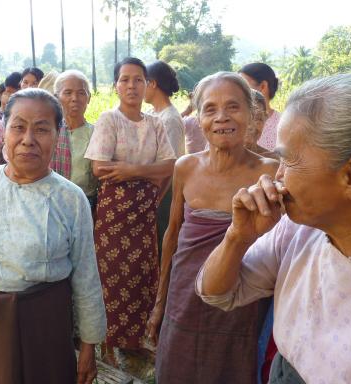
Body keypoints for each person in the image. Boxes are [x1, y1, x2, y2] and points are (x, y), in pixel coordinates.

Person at [197, 72, 351, 383]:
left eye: (288, 161)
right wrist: (237, 238)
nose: (277, 175)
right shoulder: (296, 232)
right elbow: (216, 293)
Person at [0, 88, 106, 384]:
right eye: (18, 127)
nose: (28, 139)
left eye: (41, 129)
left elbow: (86, 276)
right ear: (4, 132)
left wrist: (89, 347)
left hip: (44, 326)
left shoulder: (70, 198)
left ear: (57, 135)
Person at [146, 72, 277, 383]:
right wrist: (161, 302)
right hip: (184, 293)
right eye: (210, 109)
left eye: (233, 107)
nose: (222, 118)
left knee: (232, 366)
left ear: (251, 113)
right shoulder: (186, 167)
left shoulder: (270, 172)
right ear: (198, 117)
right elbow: (172, 236)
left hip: (241, 297)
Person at [84, 57, 176, 363]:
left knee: (141, 275)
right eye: (125, 80)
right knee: (110, 277)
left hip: (144, 211)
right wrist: (147, 171)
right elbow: (100, 167)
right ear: (116, 86)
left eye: (138, 79)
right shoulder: (109, 120)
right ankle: (108, 346)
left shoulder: (156, 123)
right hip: (114, 215)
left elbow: (170, 166)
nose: (132, 85)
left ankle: (135, 340)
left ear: (148, 84)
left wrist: (132, 170)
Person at [144, 60, 186, 254]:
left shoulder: (170, 119)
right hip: (152, 189)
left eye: (142, 81)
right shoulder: (152, 113)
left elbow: (171, 166)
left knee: (160, 244)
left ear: (152, 83)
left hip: (164, 191)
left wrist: (157, 200)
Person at [52, 70, 98, 209]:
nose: (75, 98)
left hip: (84, 202)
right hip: (50, 200)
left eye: (81, 93)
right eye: (68, 93)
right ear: (56, 97)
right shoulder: (48, 131)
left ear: (89, 98)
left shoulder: (96, 134)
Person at [239, 63, 280, 151]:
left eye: (243, 85)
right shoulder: (230, 121)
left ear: (263, 86)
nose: (237, 90)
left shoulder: (284, 125)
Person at [246, 89, 277, 158]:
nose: (251, 126)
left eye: (258, 119)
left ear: (265, 120)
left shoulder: (273, 162)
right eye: (246, 117)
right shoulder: (219, 159)